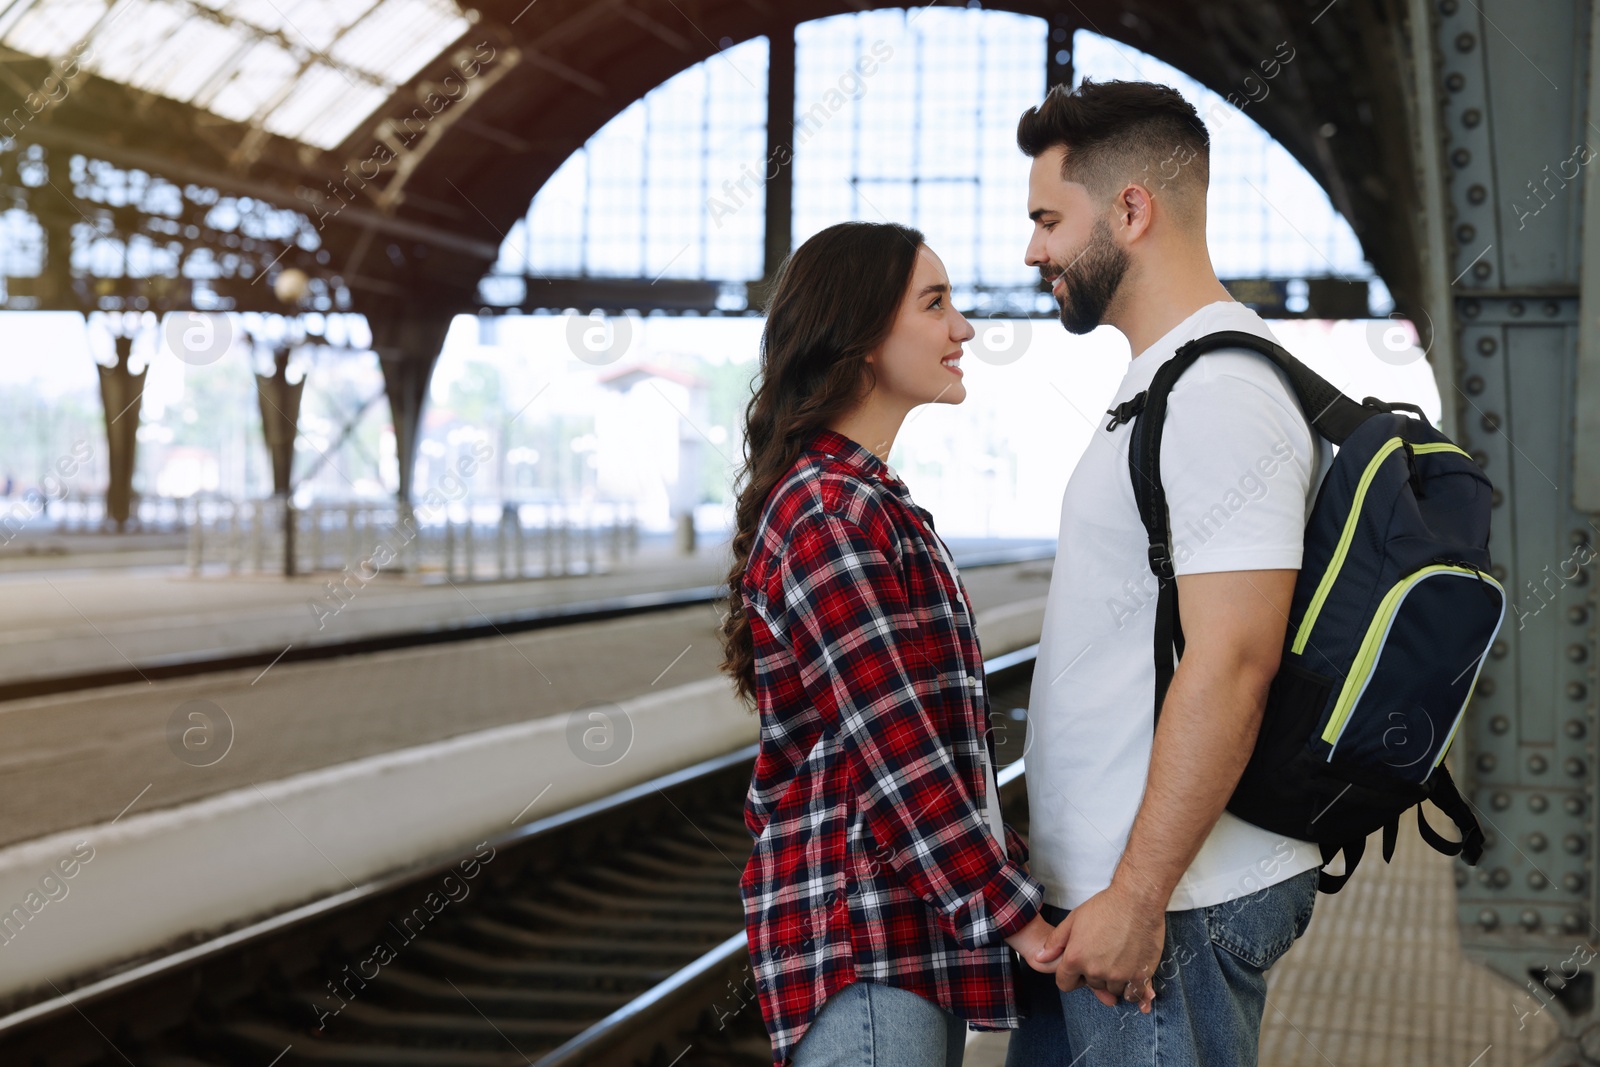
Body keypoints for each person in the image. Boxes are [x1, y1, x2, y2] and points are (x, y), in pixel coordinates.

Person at [1006, 80, 1332, 1066]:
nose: (1034, 252)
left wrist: (1140, 893)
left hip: (1170, 908)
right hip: (1112, 900)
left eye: (1048, 219)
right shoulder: (1161, 379)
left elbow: (1233, 658)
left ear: (1132, 210)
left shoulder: (1220, 389)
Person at [718, 220, 1056, 1067]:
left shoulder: (865, 502)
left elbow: (936, 749)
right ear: (863, 338)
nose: (964, 329)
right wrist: (1022, 920)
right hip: (864, 944)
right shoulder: (832, 514)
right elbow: (898, 754)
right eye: (935, 304)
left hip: (902, 942)